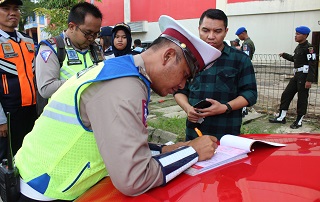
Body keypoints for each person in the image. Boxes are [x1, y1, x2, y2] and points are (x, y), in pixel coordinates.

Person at [15, 15, 222, 201]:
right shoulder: (125, 86)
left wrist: (164, 149)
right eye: (185, 75)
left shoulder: (120, 70)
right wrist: (193, 152)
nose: (183, 86)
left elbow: (116, 140)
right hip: (44, 190)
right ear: (167, 57)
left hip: (39, 178)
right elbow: (133, 179)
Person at [174, 9, 257, 141]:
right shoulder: (189, 58)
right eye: (205, 30)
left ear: (226, 31)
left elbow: (250, 94)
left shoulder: (240, 59)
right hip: (194, 132)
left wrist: (225, 107)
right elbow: (179, 90)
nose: (211, 36)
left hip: (226, 133)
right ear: (199, 29)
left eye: (217, 31)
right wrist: (187, 108)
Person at [35, 2, 104, 115]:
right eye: (88, 33)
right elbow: (46, 89)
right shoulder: (52, 48)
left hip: (93, 118)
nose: (92, 38)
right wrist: (84, 80)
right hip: (63, 119)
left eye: (96, 34)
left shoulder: (96, 48)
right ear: (72, 27)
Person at [0, 0, 37, 161]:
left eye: (15, 9)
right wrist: (0, 120)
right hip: (8, 112)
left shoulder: (27, 41)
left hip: (31, 110)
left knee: (28, 154)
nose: (12, 13)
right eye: (6, 9)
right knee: (7, 159)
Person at [269, 26, 316, 129]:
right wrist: (284, 55)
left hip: (304, 76)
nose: (295, 36)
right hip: (296, 75)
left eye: (298, 34)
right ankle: (281, 117)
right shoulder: (299, 47)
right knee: (286, 94)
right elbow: (295, 59)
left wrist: (309, 80)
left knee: (302, 99)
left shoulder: (309, 48)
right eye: (296, 33)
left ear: (305, 35)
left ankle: (299, 121)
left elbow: (312, 64)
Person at [235, 27, 256, 117]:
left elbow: (245, 56)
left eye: (239, 35)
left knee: (242, 90)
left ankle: (243, 110)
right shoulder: (247, 42)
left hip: (243, 69)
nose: (239, 37)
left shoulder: (247, 44)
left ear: (243, 33)